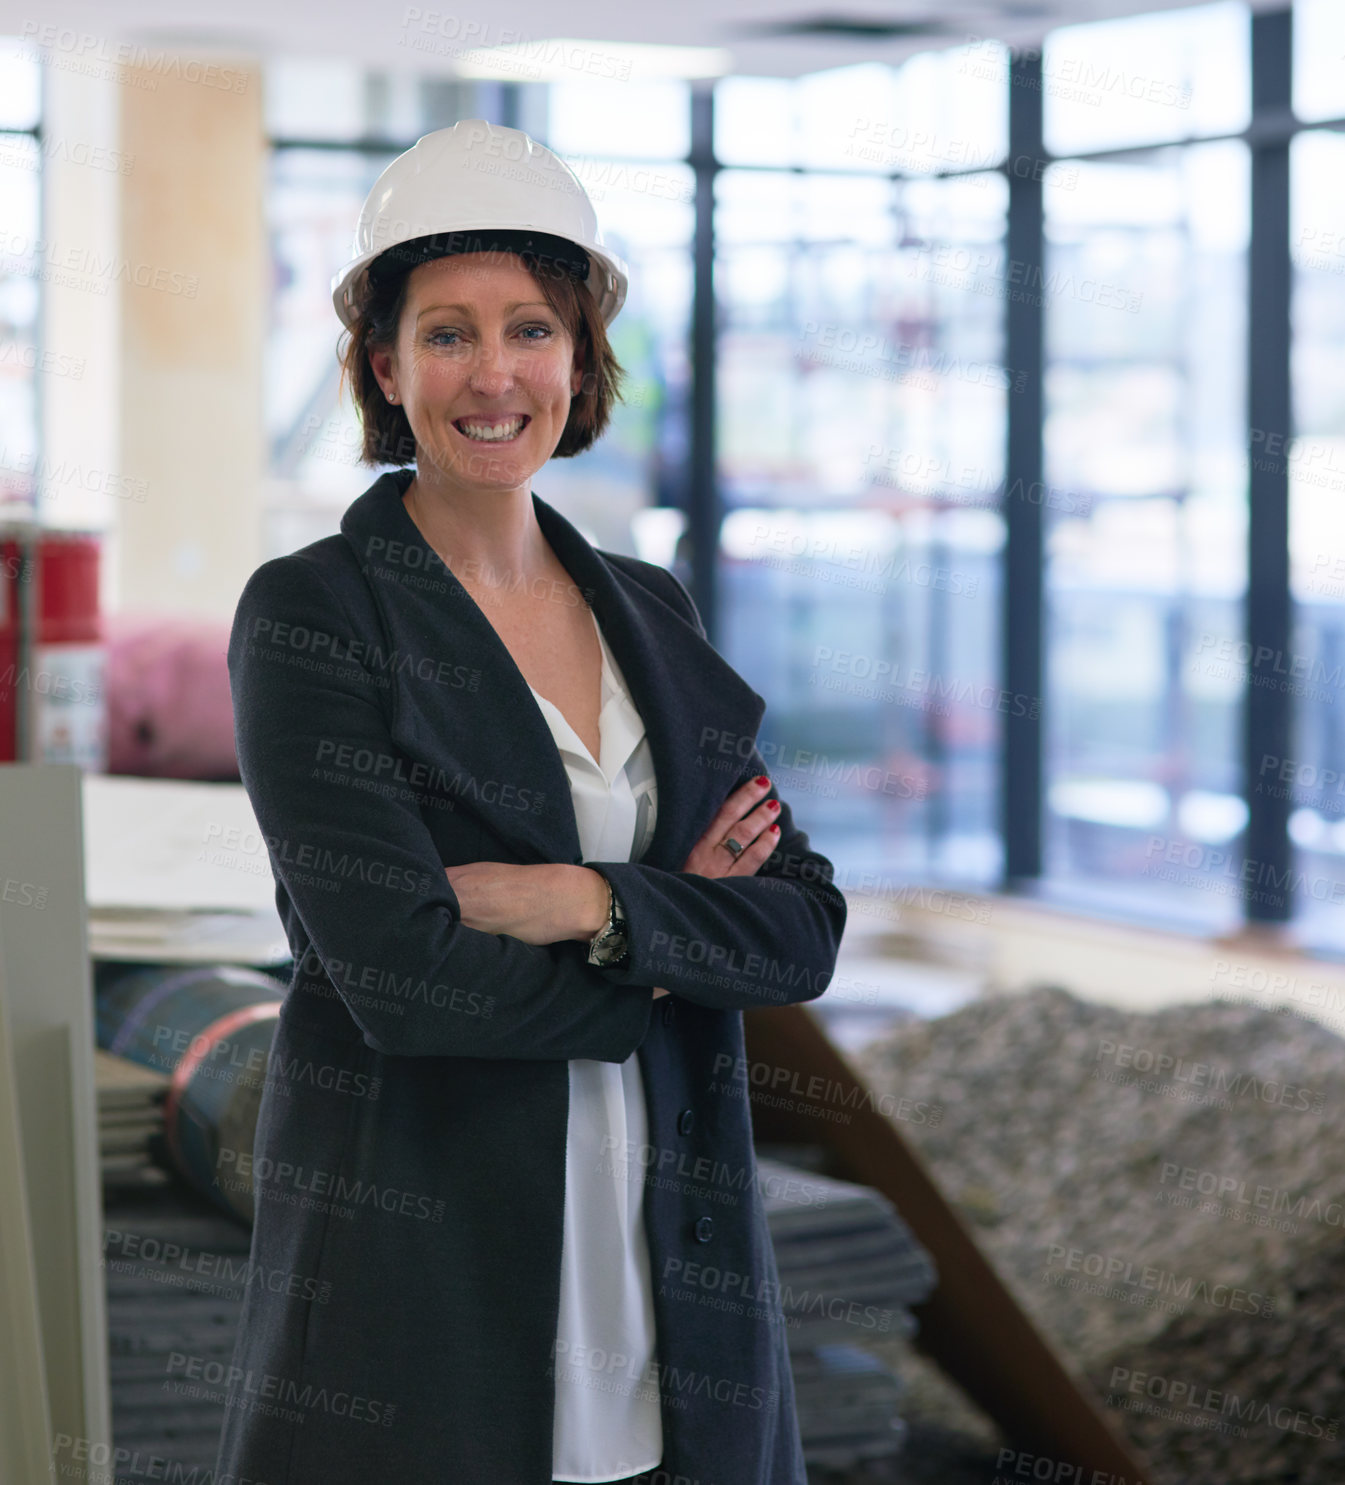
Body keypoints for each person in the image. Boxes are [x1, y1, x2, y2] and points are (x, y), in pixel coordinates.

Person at [213, 118, 847, 1485]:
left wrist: (589, 906)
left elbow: (800, 926)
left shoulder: (650, 611)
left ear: (578, 355)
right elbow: (406, 982)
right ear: (383, 366)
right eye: (446, 333)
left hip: (663, 1263)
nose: (493, 373)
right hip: (429, 1273)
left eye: (530, 329)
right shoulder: (315, 615)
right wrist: (683, 939)